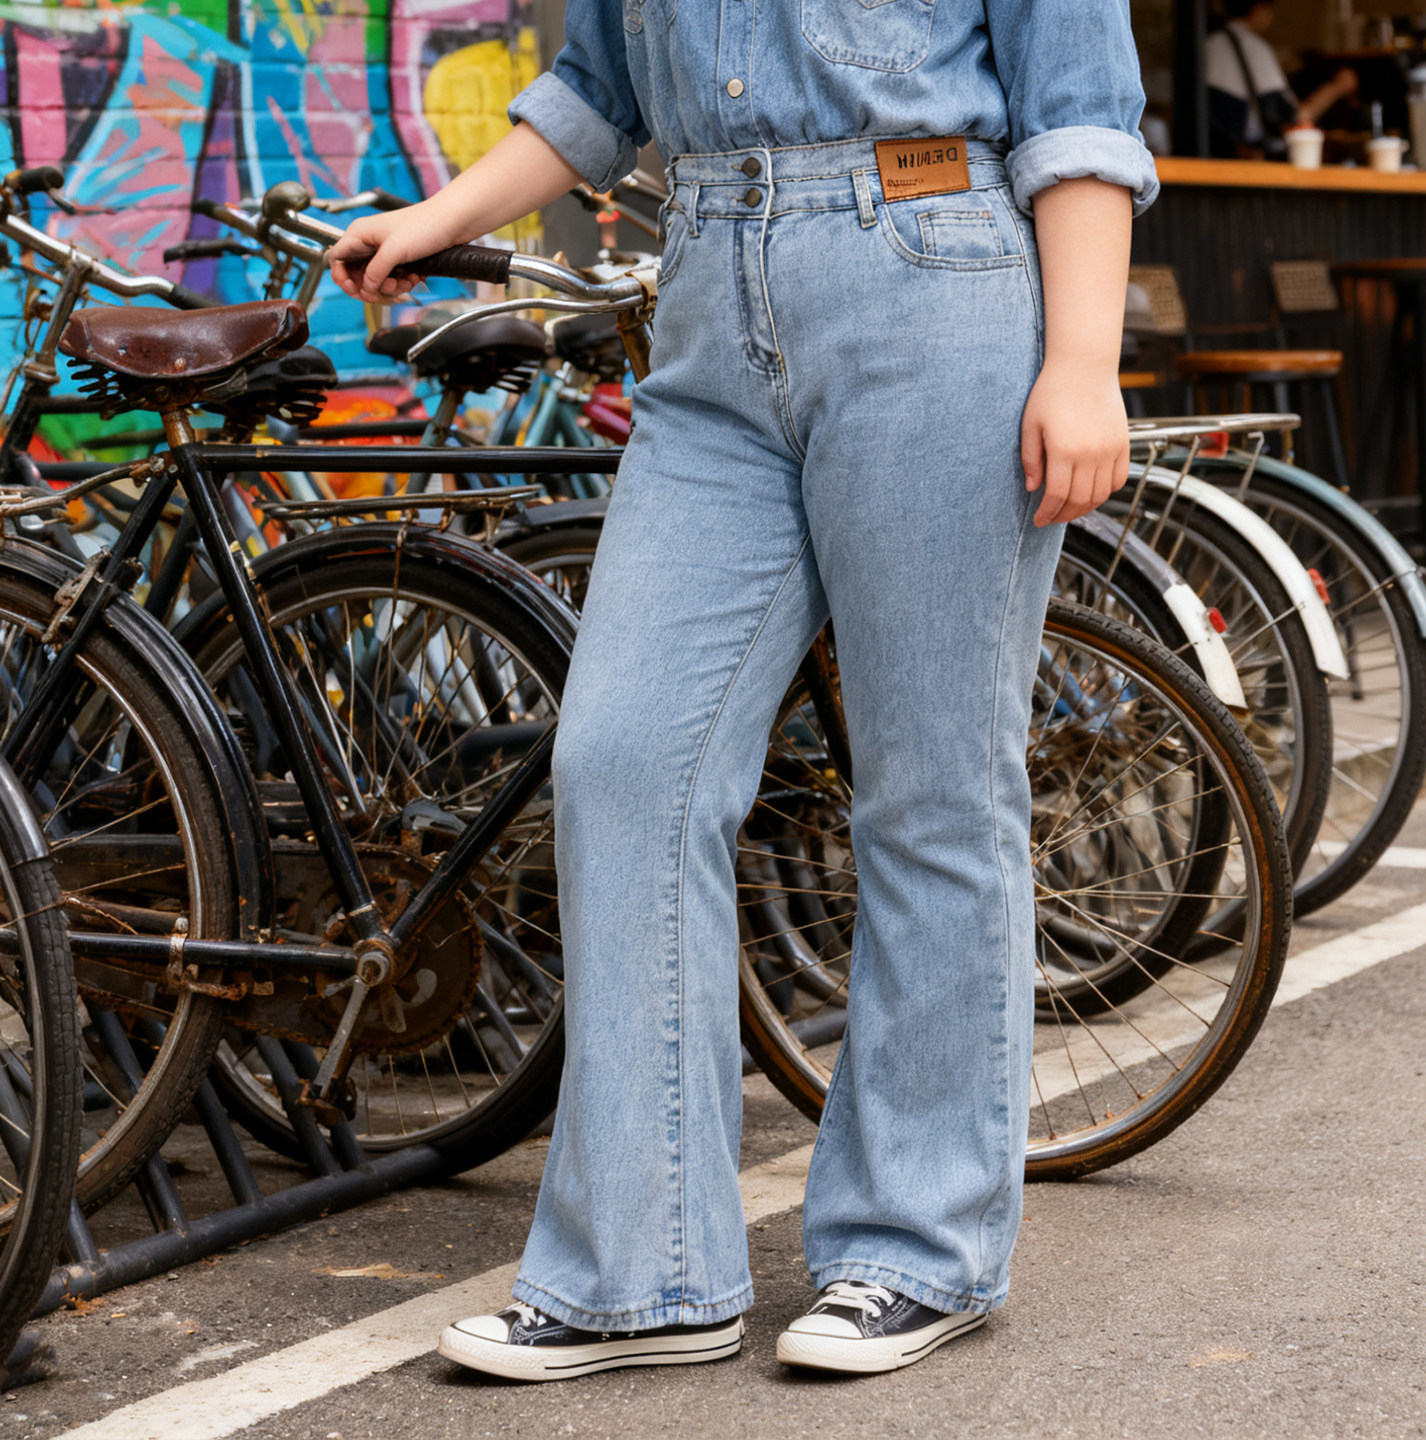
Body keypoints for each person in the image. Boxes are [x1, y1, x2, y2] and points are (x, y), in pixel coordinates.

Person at [330, 0, 1156, 1382]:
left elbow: (1078, 102)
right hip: (709, 304)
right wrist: (439, 212)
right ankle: (643, 1273)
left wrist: (1082, 362)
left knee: (932, 793)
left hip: (933, 272)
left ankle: (918, 1245)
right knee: (623, 763)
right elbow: (593, 90)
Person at [1208, 0, 1359, 158]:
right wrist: (1337, 87)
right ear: (1259, 8)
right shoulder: (1253, 47)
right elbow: (1297, 118)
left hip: (1212, 157)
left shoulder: (1209, 44)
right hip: (1249, 159)